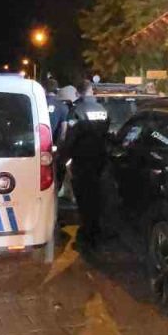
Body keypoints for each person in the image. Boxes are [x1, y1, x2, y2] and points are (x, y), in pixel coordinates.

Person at [60, 80, 110, 255]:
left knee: (84, 199)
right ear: (91, 91)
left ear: (78, 93)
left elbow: (70, 139)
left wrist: (63, 156)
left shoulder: (76, 111)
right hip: (101, 161)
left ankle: (89, 236)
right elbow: (106, 134)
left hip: (83, 162)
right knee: (97, 197)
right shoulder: (103, 110)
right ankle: (97, 231)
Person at [44, 79, 68, 143]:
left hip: (39, 142)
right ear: (57, 89)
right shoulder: (63, 106)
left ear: (44, 89)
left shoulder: (39, 103)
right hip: (54, 143)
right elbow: (64, 130)